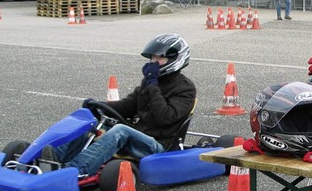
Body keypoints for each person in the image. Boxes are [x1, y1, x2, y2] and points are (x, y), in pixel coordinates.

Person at [41, 33, 196, 175]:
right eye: (153, 58)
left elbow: (164, 117)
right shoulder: (149, 82)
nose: (154, 63)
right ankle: (54, 158)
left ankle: (74, 170)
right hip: (138, 136)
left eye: (159, 59)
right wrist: (97, 105)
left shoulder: (185, 89)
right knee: (92, 122)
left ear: (176, 59)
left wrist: (153, 86)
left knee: (121, 130)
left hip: (159, 146)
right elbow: (128, 106)